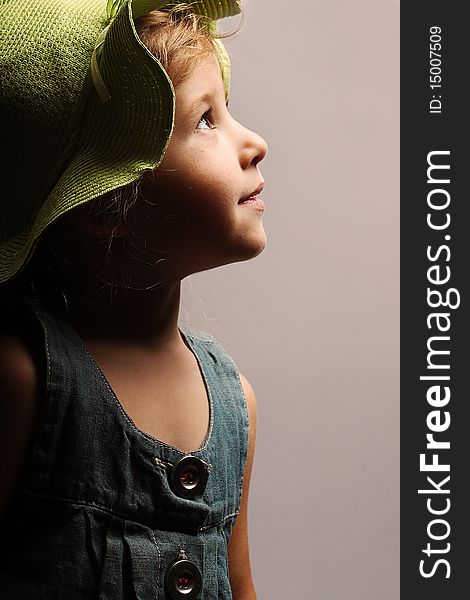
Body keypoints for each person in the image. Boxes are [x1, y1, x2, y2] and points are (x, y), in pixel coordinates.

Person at [0, 0, 267, 598]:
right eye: (206, 120)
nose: (255, 142)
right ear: (101, 202)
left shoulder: (236, 405)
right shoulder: (24, 381)